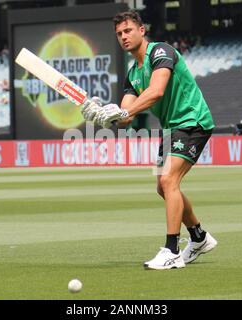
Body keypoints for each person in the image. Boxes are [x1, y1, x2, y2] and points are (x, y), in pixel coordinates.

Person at [81, 11, 217, 270]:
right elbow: (125, 118)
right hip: (170, 128)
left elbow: (156, 91)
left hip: (192, 120)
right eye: (119, 33)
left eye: (128, 30)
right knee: (162, 187)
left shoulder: (160, 53)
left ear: (141, 30)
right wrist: (100, 115)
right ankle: (199, 237)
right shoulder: (132, 74)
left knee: (169, 181)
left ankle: (172, 251)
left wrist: (122, 112)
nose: (124, 36)